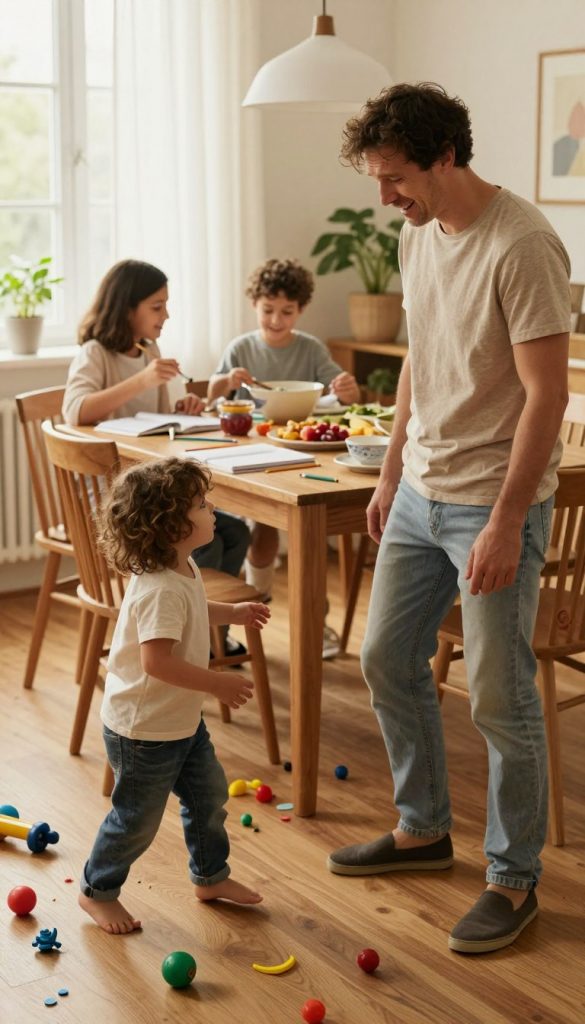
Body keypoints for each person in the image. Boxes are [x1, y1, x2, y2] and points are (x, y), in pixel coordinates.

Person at [326, 83, 571, 954]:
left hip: (489, 505)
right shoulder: (416, 234)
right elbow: (422, 368)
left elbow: (548, 396)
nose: (383, 196)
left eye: (393, 177)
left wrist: (507, 522)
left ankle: (513, 879)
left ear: (442, 158)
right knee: (385, 655)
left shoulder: (523, 245)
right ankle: (422, 829)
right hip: (419, 494)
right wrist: (391, 474)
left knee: (499, 699)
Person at [78, 456, 269, 934]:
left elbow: (195, 609)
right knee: (135, 821)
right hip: (143, 732)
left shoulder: (182, 567)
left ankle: (210, 877)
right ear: (171, 524)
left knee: (209, 798)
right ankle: (96, 892)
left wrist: (233, 613)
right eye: (202, 505)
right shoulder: (160, 587)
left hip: (180, 723)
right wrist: (218, 683)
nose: (212, 509)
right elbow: (156, 663)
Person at [63, 259, 251, 656]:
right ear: (126, 307)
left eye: (166, 305)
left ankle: (207, 633)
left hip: (147, 489)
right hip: (114, 497)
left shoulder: (150, 350)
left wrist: (183, 410)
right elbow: (75, 411)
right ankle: (187, 638)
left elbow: (156, 422)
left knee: (234, 532)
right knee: (205, 541)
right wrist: (143, 380)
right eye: (157, 306)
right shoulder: (95, 353)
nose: (166, 315)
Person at [208, 258, 360, 655]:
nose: (276, 320)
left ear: (301, 310)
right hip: (253, 452)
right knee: (263, 527)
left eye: (287, 312)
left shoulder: (309, 348)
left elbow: (341, 392)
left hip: (304, 450)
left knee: (308, 530)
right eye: (268, 310)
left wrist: (347, 389)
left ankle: (315, 620)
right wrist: (225, 382)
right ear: (255, 305)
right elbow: (212, 397)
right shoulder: (241, 348)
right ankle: (256, 603)